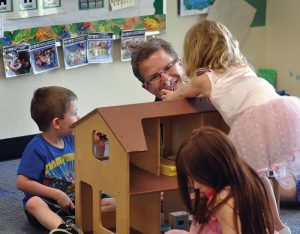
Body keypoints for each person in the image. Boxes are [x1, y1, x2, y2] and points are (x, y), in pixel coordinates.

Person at [161, 20, 300, 234]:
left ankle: (262, 225)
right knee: (262, 176)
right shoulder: (241, 66)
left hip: (253, 122)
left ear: (194, 52)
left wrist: (169, 95)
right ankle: (277, 225)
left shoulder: (203, 79)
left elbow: (181, 94)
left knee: (247, 178)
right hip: (281, 110)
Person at [16, 86, 115, 234]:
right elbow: (21, 182)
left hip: (77, 200)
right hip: (50, 203)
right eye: (74, 114)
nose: (79, 118)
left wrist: (100, 148)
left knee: (117, 202)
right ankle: (65, 229)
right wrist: (57, 194)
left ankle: (75, 220)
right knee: (33, 203)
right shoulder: (36, 147)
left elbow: (92, 170)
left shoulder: (72, 139)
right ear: (56, 123)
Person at [165, 127, 274, 234]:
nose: (196, 186)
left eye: (199, 178)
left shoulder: (224, 201)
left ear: (216, 168)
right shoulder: (240, 183)